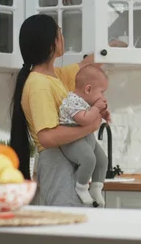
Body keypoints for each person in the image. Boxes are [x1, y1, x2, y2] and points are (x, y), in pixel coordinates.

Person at [10, 14, 103, 207]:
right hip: (56, 162)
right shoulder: (39, 85)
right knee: (68, 227)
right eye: (60, 33)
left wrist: (112, 47)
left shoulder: (54, 76)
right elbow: (47, 137)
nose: (63, 37)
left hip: (67, 157)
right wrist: (90, 126)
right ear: (52, 43)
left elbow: (87, 66)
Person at [58, 65, 110, 205]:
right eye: (102, 92)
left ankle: (96, 188)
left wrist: (102, 113)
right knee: (88, 159)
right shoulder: (71, 101)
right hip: (71, 139)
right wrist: (97, 108)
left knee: (102, 160)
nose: (103, 97)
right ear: (88, 89)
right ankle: (81, 187)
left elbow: (91, 114)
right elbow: (84, 119)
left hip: (86, 137)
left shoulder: (86, 102)